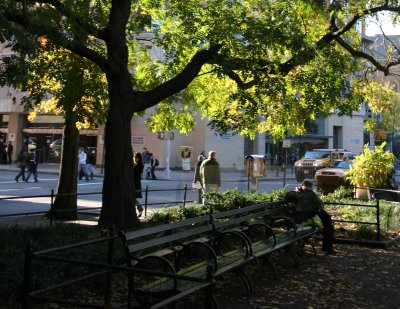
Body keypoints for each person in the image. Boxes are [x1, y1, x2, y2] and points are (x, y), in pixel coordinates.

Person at [285, 179, 336, 254]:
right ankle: (328, 246)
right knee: (327, 221)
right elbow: (288, 197)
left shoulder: (311, 194)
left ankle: (327, 246)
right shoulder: (297, 193)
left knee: (327, 220)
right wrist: (297, 192)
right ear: (301, 186)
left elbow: (320, 204)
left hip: (314, 212)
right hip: (304, 215)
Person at [133, 152, 144, 217]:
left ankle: (140, 208)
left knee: (132, 197)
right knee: (132, 197)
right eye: (134, 157)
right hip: (135, 183)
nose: (134, 158)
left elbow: (136, 175)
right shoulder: (136, 165)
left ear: (138, 158)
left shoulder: (139, 165)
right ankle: (140, 208)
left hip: (135, 183)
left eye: (135, 157)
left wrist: (133, 166)